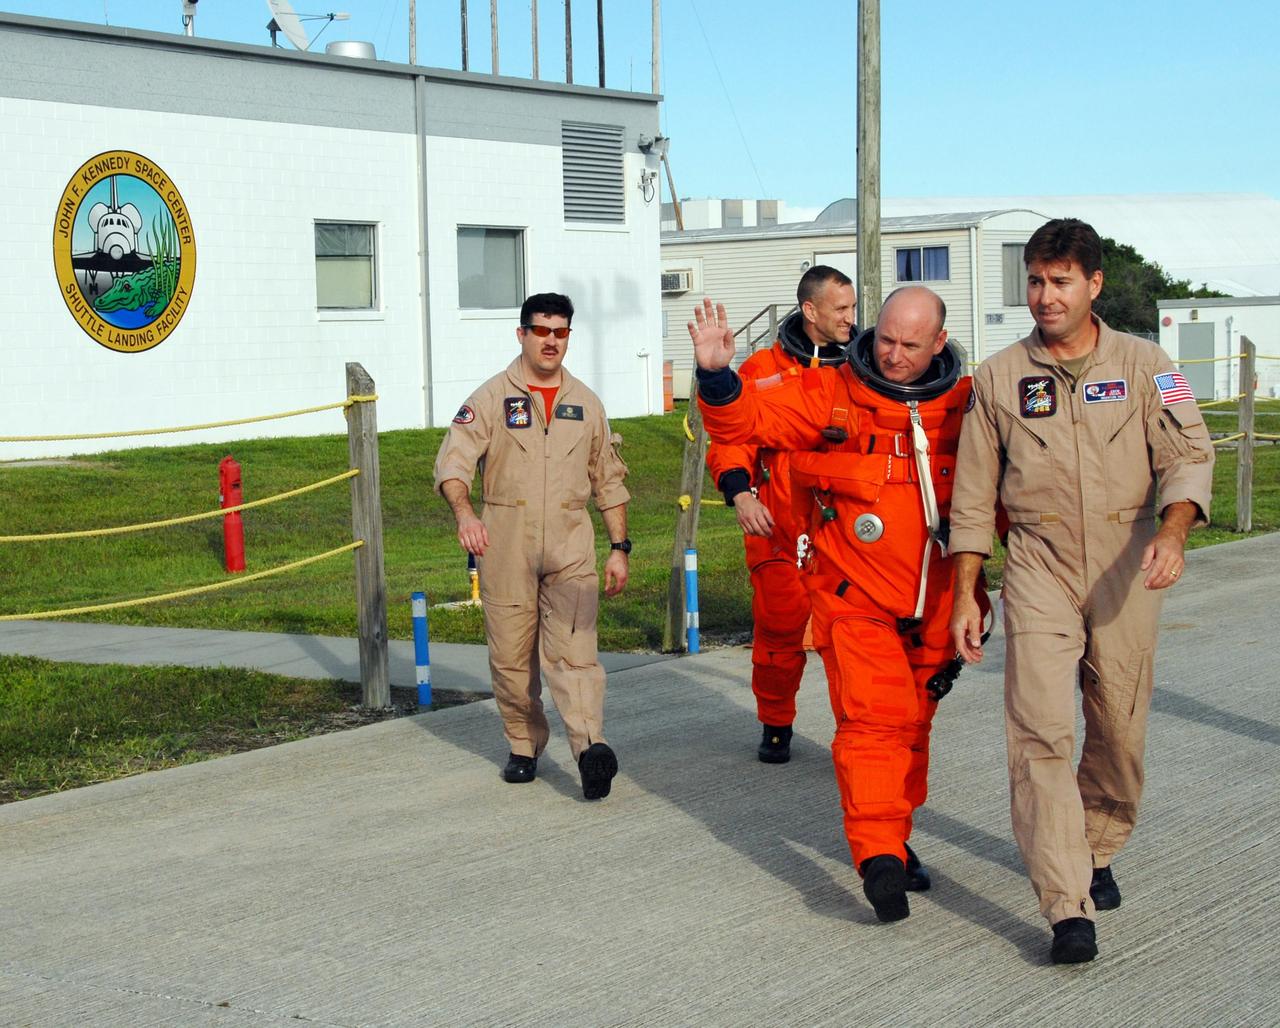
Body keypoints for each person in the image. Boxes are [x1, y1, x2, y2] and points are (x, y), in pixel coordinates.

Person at [948, 218, 1215, 964]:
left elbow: (1190, 452)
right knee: (1039, 728)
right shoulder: (999, 379)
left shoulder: (1148, 363)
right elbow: (971, 498)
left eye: (1060, 280)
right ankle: (1065, 903)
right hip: (1039, 559)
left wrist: (1174, 531)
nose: (1044, 295)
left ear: (1094, 284)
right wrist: (969, 590)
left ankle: (1098, 844)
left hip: (1128, 553)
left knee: (1119, 722)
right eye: (1035, 280)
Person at [690, 286, 988, 923]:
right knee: (874, 719)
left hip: (938, 598)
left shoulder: (971, 407)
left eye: (911, 345)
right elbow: (750, 425)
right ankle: (878, 853)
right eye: (885, 339)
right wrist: (717, 378)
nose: (894, 354)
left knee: (913, 724)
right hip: (856, 595)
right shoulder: (833, 394)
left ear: (940, 343)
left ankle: (897, 834)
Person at [433, 292, 632, 801]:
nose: (551, 341)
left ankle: (591, 750)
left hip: (570, 543)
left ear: (569, 337)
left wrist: (619, 546)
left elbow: (608, 480)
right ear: (521, 334)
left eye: (560, 332)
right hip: (506, 541)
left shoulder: (587, 404)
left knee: (576, 654)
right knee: (512, 660)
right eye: (541, 330)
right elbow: (453, 464)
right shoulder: (489, 399)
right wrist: (466, 515)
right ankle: (524, 746)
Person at [705, 265, 854, 763]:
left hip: (843, 525)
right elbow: (731, 437)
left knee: (850, 635)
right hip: (776, 520)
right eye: (841, 309)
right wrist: (740, 493)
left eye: (853, 309)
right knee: (780, 625)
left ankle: (857, 732)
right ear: (810, 311)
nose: (851, 319)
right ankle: (776, 720)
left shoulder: (859, 370)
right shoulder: (761, 369)